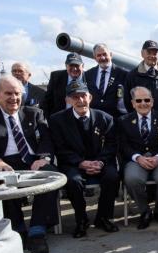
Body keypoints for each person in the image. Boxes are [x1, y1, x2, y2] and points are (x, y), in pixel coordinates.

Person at [0, 75, 57, 253]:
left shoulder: (34, 113)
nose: (14, 98)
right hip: (2, 160)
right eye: (8, 93)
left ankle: (37, 230)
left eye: (17, 93)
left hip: (31, 160)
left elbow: (46, 139)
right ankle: (17, 230)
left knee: (51, 176)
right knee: (1, 181)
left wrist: (44, 158)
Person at [48, 80, 120, 238]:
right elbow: (60, 148)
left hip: (100, 161)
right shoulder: (57, 120)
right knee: (73, 181)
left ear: (90, 97)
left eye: (83, 96)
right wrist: (81, 163)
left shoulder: (105, 118)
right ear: (68, 100)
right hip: (73, 163)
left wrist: (100, 162)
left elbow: (111, 145)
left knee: (112, 176)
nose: (80, 100)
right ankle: (81, 220)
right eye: (75, 97)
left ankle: (103, 217)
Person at [117, 86, 158, 229]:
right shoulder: (123, 121)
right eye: (138, 100)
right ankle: (145, 211)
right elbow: (123, 146)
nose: (143, 103)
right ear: (132, 103)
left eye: (147, 100)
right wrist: (137, 157)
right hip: (136, 160)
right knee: (131, 179)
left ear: (152, 101)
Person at [84, 43, 130, 119]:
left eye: (105, 54)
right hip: (94, 120)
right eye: (99, 55)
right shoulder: (88, 75)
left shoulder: (124, 75)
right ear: (95, 58)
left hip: (116, 121)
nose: (102, 57)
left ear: (111, 55)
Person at [127, 40, 158, 113]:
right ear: (142, 53)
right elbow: (128, 101)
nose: (152, 56)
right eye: (149, 52)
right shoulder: (132, 76)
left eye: (155, 53)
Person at [46, 53, 85, 118]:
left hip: (82, 119)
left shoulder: (90, 77)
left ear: (82, 66)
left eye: (77, 65)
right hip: (60, 120)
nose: (74, 69)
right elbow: (47, 101)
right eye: (71, 65)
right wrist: (50, 120)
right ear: (66, 66)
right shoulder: (56, 77)